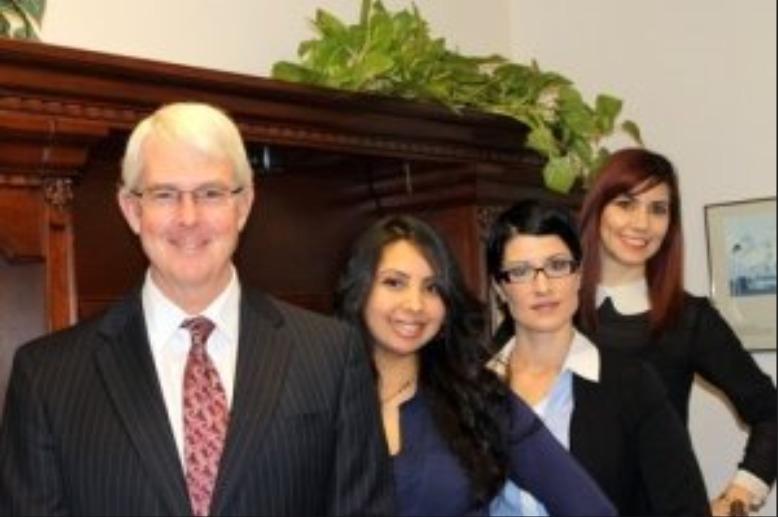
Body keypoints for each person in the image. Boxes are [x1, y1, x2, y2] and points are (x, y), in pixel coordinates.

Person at [0, 102, 394, 516]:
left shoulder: (330, 356)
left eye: (210, 193)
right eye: (165, 194)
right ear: (132, 210)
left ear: (243, 206)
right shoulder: (47, 378)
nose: (189, 218)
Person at [335, 214, 615, 516]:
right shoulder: (321, 398)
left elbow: (590, 507)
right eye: (394, 283)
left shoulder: (479, 399)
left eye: (432, 288)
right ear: (360, 290)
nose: (415, 305)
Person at [577, 148, 777, 516]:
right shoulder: (551, 311)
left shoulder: (688, 319)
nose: (642, 223)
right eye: (625, 203)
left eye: (658, 209)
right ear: (597, 209)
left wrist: (737, 498)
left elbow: (771, 413)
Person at [485, 199, 710, 516]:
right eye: (520, 272)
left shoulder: (632, 384)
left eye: (557, 266)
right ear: (499, 287)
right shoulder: (472, 389)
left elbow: (685, 507)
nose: (542, 286)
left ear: (579, 275)